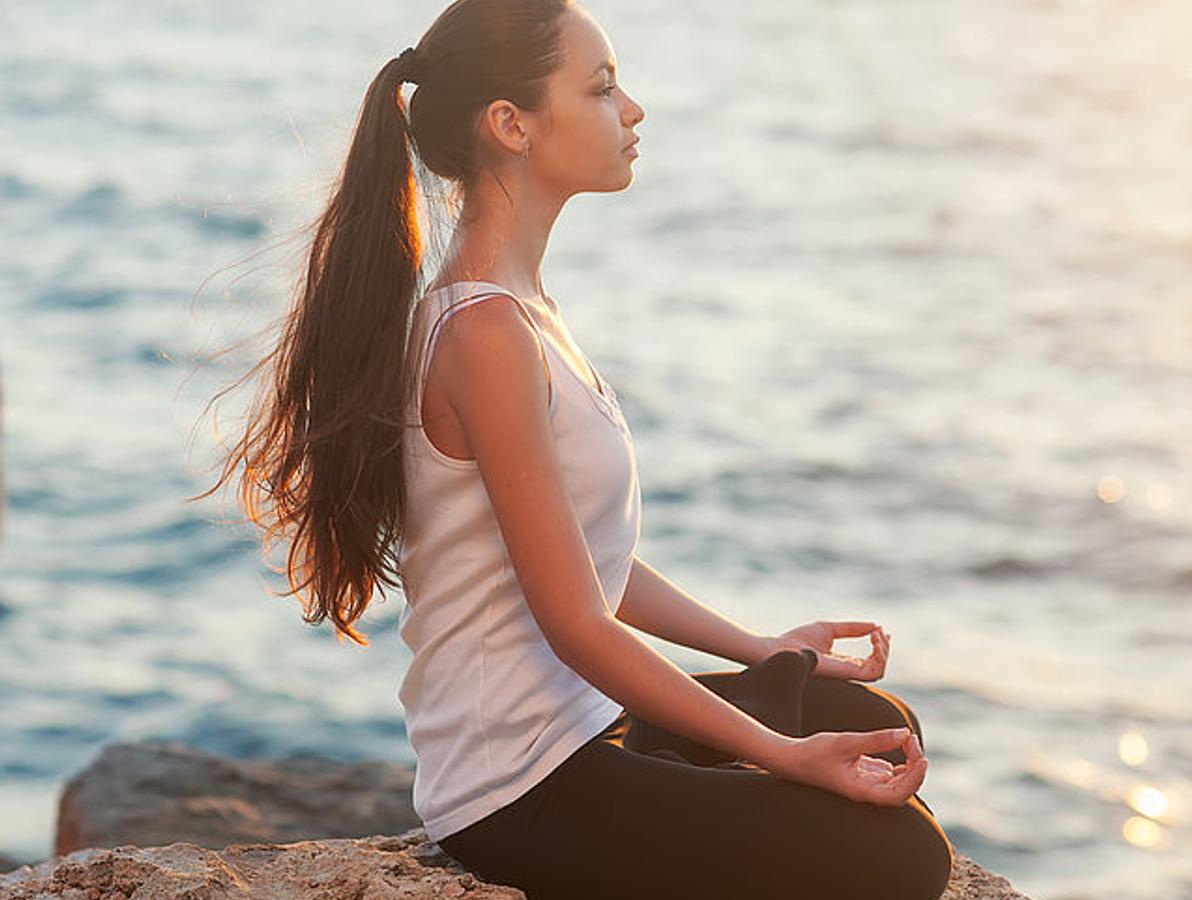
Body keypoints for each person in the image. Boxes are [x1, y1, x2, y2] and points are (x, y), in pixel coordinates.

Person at [198, 1, 953, 897]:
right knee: (903, 856)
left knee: (875, 717)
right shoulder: (484, 332)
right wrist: (783, 757)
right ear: (510, 126)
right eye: (601, 88)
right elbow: (577, 620)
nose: (633, 109)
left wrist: (759, 648)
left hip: (588, 724)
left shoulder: (525, 309)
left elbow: (592, 561)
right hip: (521, 790)